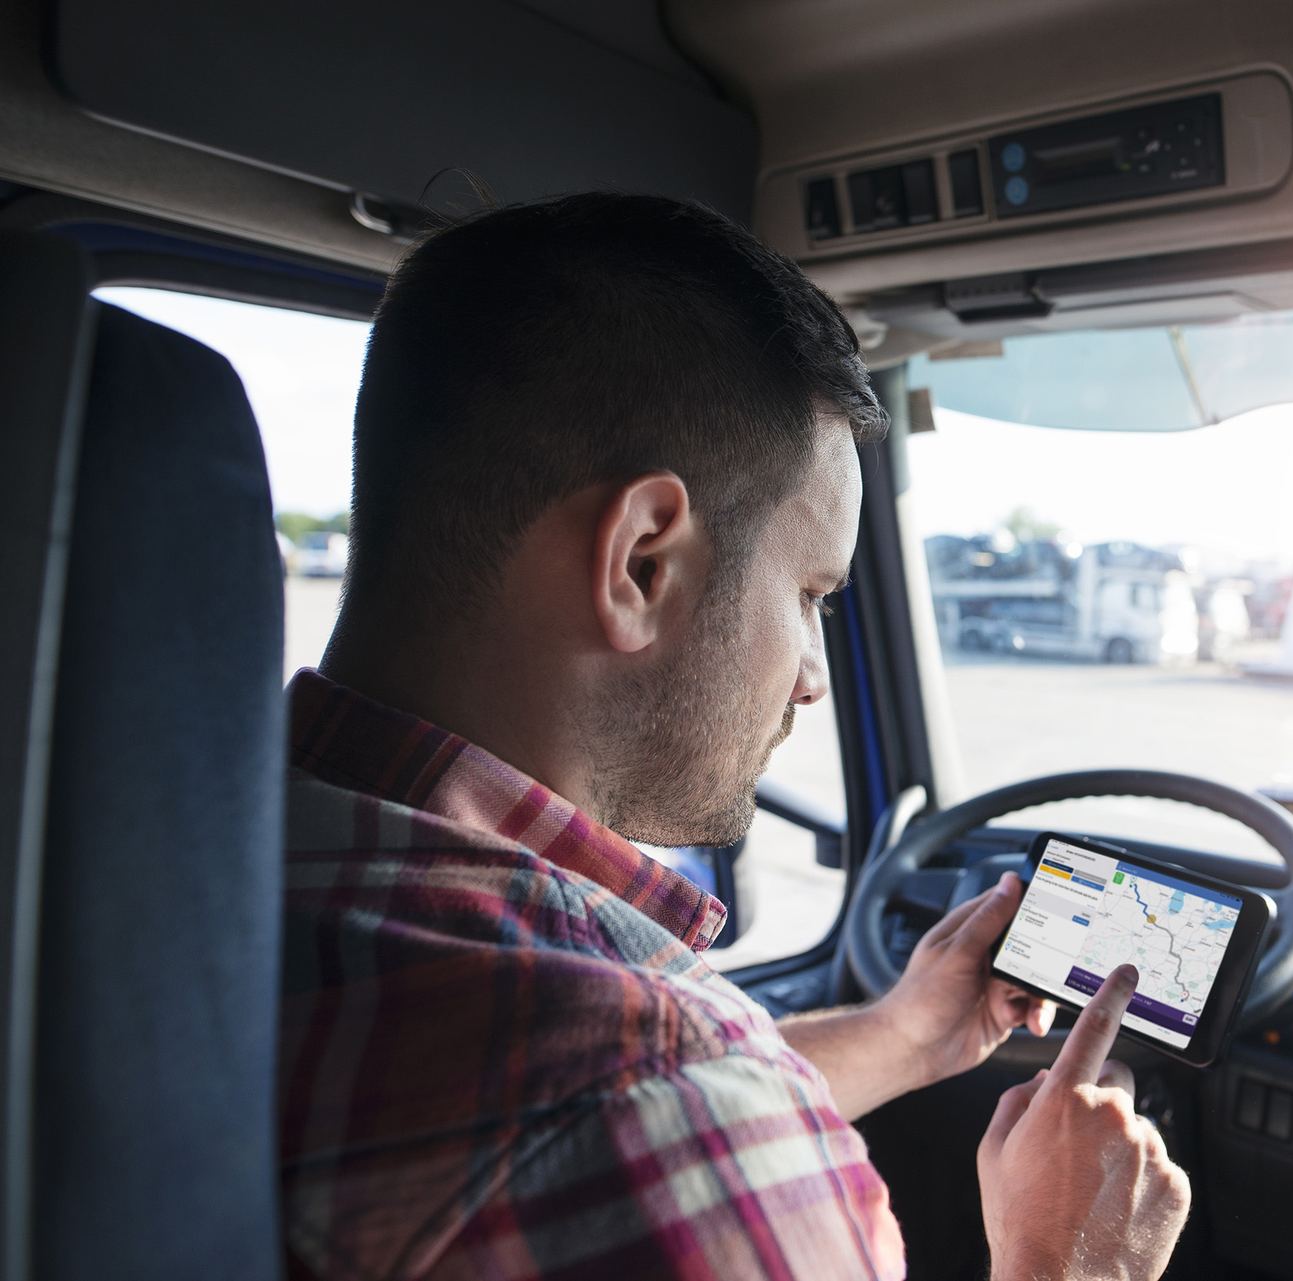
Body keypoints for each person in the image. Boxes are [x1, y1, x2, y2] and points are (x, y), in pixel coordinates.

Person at [279, 192, 1190, 1281]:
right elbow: (651, 1107)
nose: (812, 676)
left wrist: (907, 1037)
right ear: (641, 562)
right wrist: (1071, 1263)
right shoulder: (652, 1108)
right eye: (808, 592)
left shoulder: (195, 842)